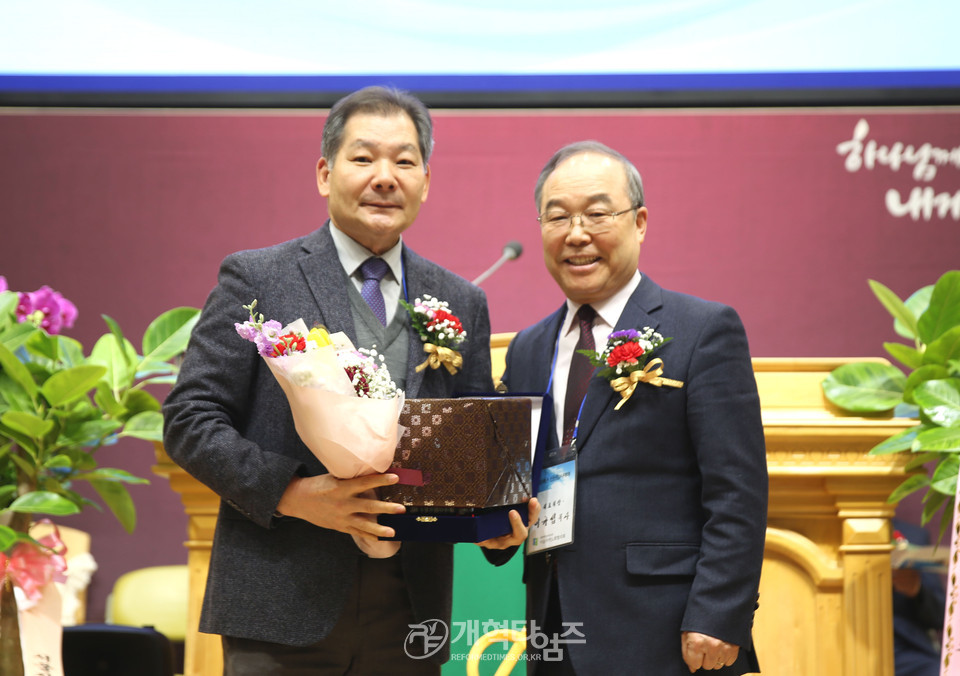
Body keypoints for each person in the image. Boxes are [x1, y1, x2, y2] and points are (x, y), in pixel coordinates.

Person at [162, 86, 527, 675]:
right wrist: (295, 495)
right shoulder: (258, 277)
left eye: (404, 161)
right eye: (363, 158)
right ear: (325, 173)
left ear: (426, 182)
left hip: (411, 610)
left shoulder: (461, 300)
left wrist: (492, 522)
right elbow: (190, 419)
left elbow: (468, 441)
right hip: (281, 600)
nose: (385, 176)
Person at [496, 141, 768, 674]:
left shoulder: (702, 331)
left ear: (640, 222)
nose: (577, 234)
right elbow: (516, 483)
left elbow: (737, 488)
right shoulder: (528, 347)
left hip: (669, 631)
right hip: (555, 627)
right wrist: (494, 527)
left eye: (597, 214)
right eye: (558, 217)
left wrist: (719, 612)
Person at [892, 519, 946, 676]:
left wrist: (916, 589)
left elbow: (940, 616)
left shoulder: (914, 537)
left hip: (906, 652)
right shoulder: (824, 536)